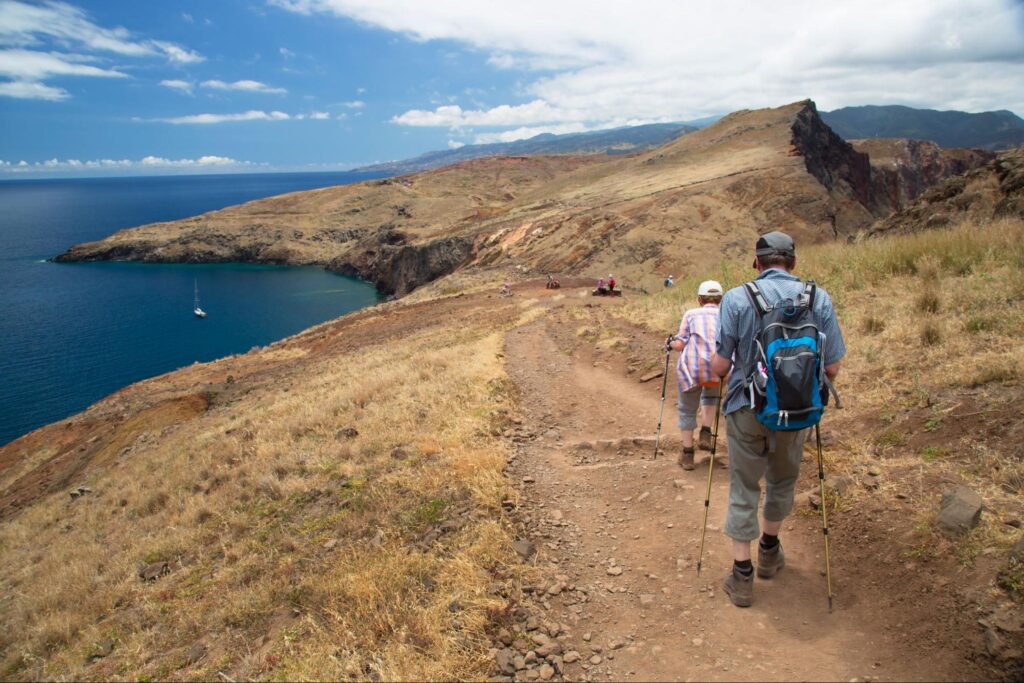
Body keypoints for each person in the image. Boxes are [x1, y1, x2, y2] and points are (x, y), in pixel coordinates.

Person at [710, 231, 845, 608]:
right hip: (797, 412)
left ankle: (742, 577)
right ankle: (769, 551)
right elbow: (831, 366)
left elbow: (721, 365)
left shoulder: (737, 299)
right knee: (782, 480)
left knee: (743, 486)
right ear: (793, 263)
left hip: (745, 409)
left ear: (757, 263)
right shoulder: (819, 300)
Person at [670, 280, 724, 471]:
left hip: (692, 369)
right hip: (718, 368)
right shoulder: (727, 315)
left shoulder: (691, 314)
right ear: (721, 299)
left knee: (687, 408)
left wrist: (670, 343)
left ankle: (687, 453)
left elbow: (680, 344)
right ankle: (706, 433)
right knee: (710, 396)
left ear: (700, 299)